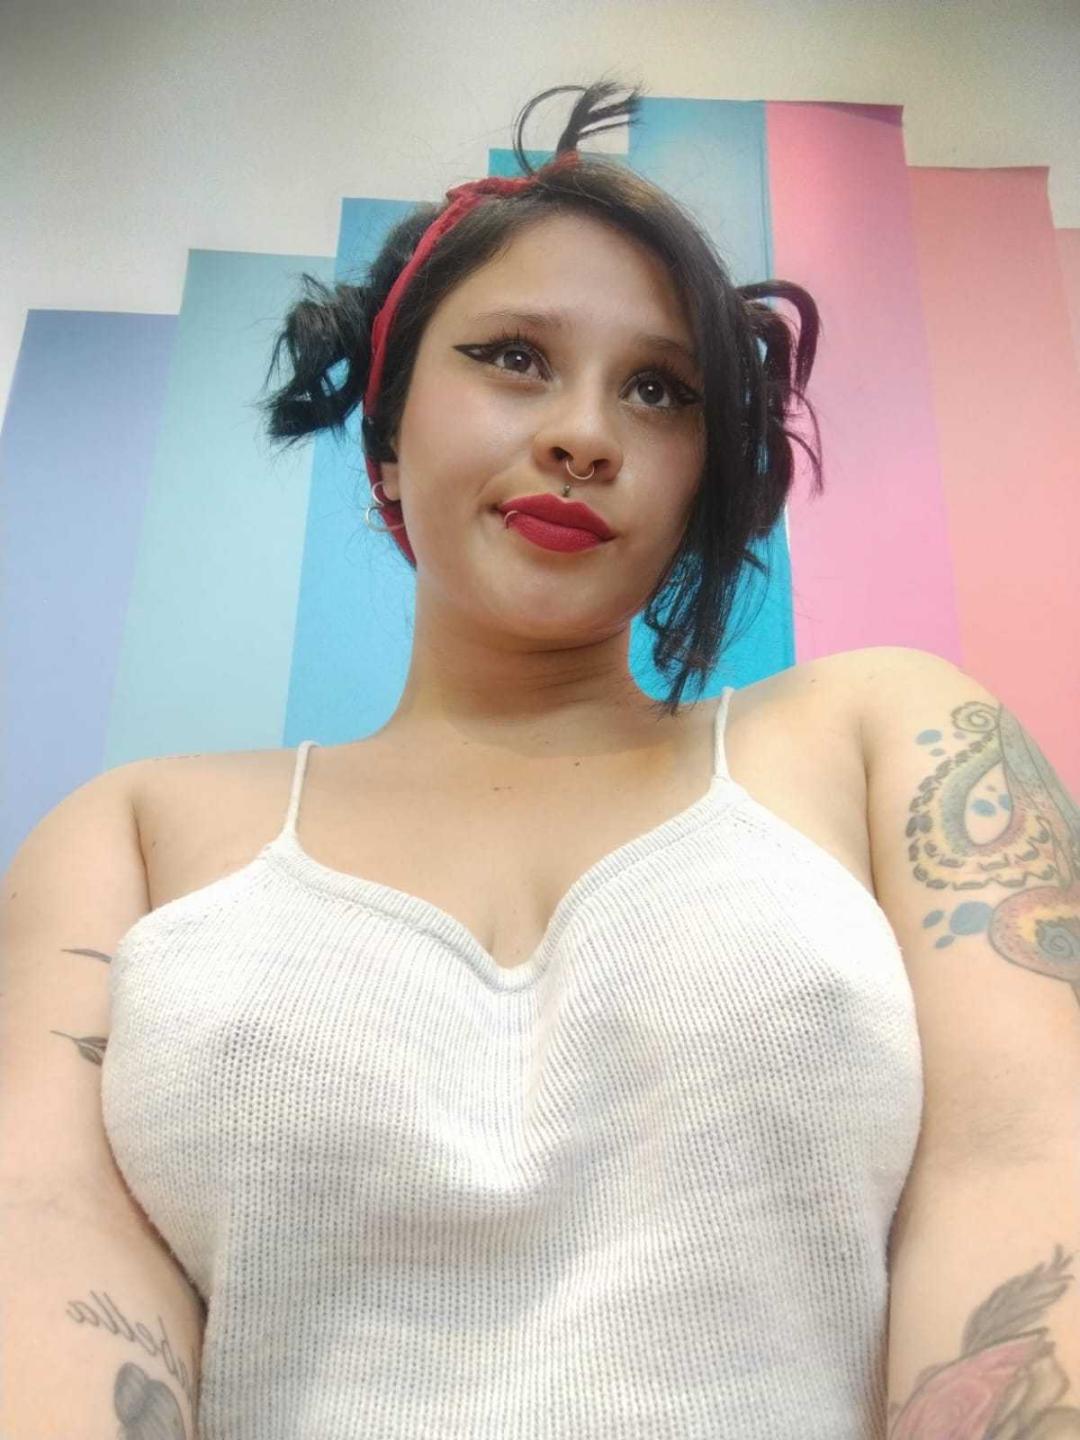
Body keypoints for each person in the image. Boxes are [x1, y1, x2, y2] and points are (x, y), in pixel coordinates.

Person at [13, 79, 923, 1440]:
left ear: (701, 482)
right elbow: (43, 1236)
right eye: (513, 357)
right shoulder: (132, 836)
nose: (584, 435)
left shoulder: (884, 743)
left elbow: (1029, 1167)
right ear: (386, 437)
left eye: (659, 390)